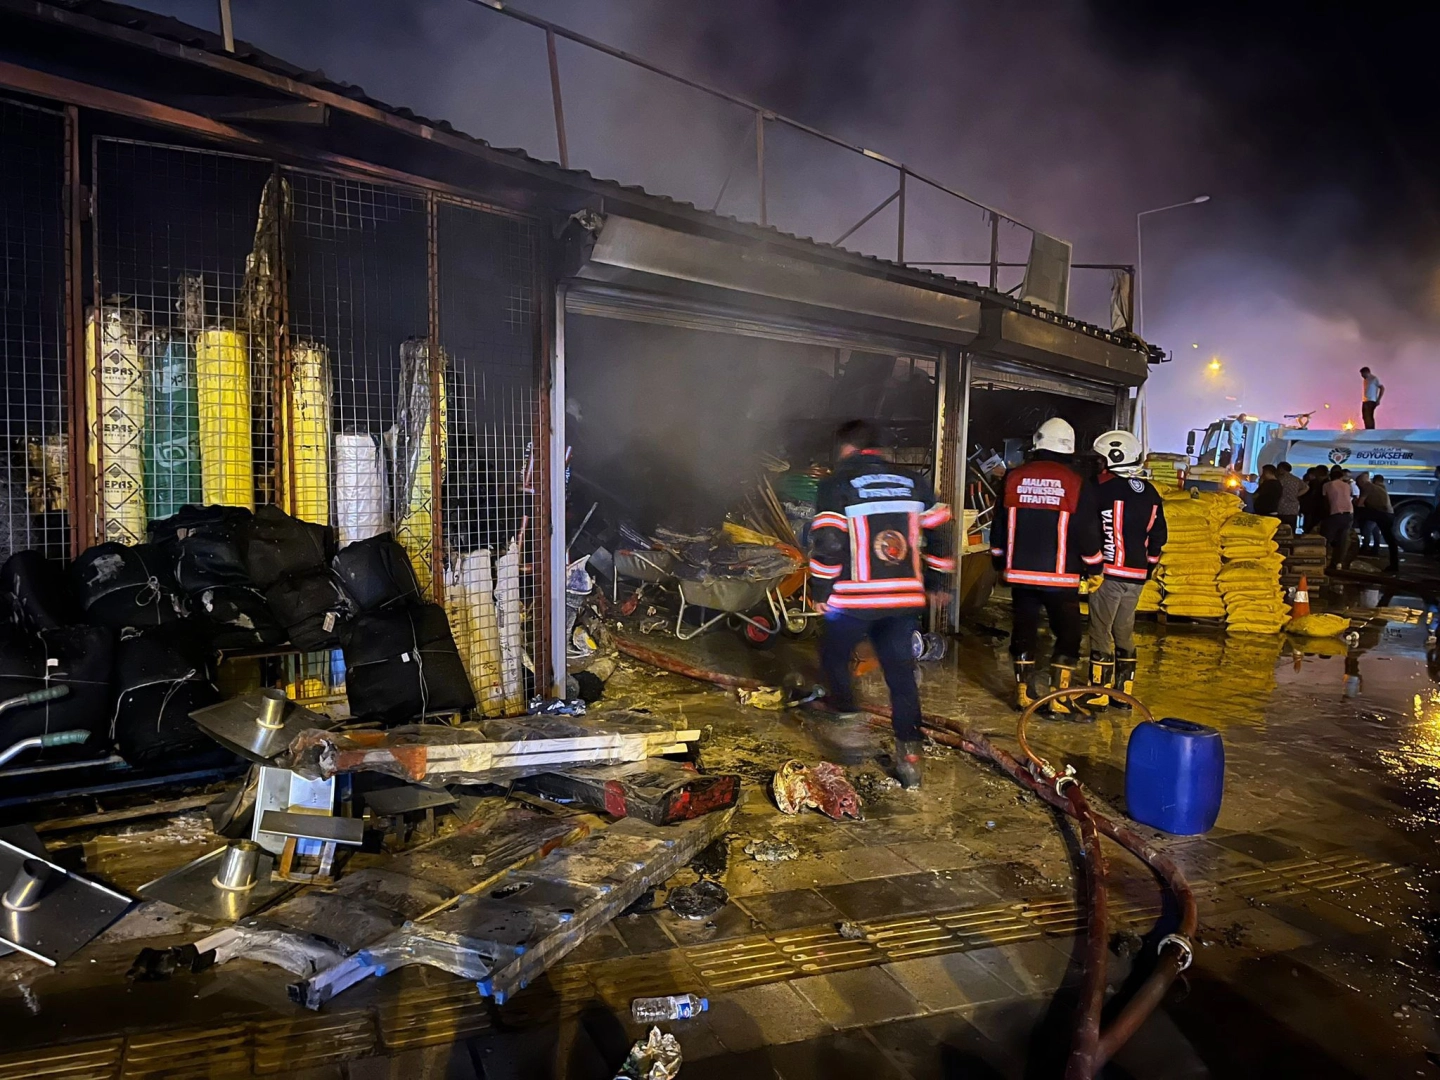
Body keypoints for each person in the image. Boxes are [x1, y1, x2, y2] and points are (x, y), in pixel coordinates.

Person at [809, 419, 953, 789]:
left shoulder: (836, 483)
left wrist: (821, 589)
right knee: (900, 674)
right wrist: (937, 581)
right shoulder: (914, 481)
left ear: (846, 448)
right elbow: (940, 529)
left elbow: (829, 541)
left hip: (852, 600)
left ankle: (850, 725)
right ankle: (910, 757)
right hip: (903, 598)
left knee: (833, 657)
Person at [989, 417, 1103, 717]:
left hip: (1020, 575)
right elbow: (1087, 531)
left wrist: (999, 561)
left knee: (1023, 630)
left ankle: (1023, 694)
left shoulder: (1013, 477)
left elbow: (998, 525)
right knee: (1068, 634)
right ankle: (1059, 699)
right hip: (1061, 578)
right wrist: (1095, 568)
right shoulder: (1077, 482)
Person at [1085, 430, 1167, 709]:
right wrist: (1149, 566)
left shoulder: (1100, 488)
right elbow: (1159, 534)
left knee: (1100, 631)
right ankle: (1123, 695)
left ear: (1112, 458)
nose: (1097, 465)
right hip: (1137, 575)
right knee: (1123, 631)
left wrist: (1091, 564)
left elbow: (1088, 528)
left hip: (1109, 573)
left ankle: (1098, 693)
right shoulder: (1150, 492)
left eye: (1100, 460)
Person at [1360, 474, 1400, 573]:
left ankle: (1394, 566)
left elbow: (1360, 503)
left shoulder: (1370, 487)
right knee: (1388, 539)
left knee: (1389, 540)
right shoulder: (1381, 488)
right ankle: (1393, 564)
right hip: (1387, 515)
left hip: (1383, 515)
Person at [1321, 466, 1355, 571]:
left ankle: (1323, 561)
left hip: (1335, 513)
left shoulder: (1327, 485)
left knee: (1326, 538)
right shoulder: (1347, 485)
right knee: (1342, 540)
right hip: (1349, 514)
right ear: (1341, 477)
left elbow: (1325, 500)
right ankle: (1337, 563)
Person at [1275, 461, 1307, 532]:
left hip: (1281, 508)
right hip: (1293, 509)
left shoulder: (1279, 479)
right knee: (1291, 529)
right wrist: (1297, 494)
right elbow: (1306, 487)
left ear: (1281, 469)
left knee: (1280, 529)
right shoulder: (1296, 479)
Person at [1299, 465, 1330, 533]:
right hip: (1317, 510)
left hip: (1316, 510)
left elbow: (1308, 496)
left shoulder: (1317, 483)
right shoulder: (1328, 483)